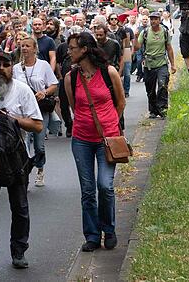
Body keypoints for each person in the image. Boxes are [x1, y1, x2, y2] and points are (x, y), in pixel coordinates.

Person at [0, 49, 42, 275]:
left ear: (12, 67)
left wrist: (13, 119)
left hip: (16, 159)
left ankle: (19, 250)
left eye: (6, 64)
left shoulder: (22, 90)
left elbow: (37, 125)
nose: (1, 69)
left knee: (20, 208)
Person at [64, 33, 125, 252]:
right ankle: (91, 235)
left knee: (105, 186)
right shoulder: (71, 77)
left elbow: (120, 102)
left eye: (72, 48)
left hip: (107, 139)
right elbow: (73, 107)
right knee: (88, 190)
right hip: (81, 140)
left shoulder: (108, 73)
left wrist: (111, 125)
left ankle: (109, 230)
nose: (69, 52)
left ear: (85, 50)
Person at [13, 36, 58, 188]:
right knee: (24, 143)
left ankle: (40, 168)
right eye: (22, 46)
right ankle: (24, 172)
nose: (24, 48)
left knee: (39, 145)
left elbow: (53, 84)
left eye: (27, 46)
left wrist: (44, 92)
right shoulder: (16, 68)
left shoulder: (43, 65)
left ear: (34, 49)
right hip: (22, 111)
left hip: (40, 109)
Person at [136, 11, 176, 119]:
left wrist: (173, 65)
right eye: (152, 19)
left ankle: (162, 109)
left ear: (159, 20)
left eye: (156, 19)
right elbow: (136, 47)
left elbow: (169, 48)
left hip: (161, 63)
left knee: (162, 85)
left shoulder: (164, 32)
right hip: (149, 64)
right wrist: (135, 38)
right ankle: (153, 110)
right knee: (150, 88)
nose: (153, 21)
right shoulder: (144, 32)